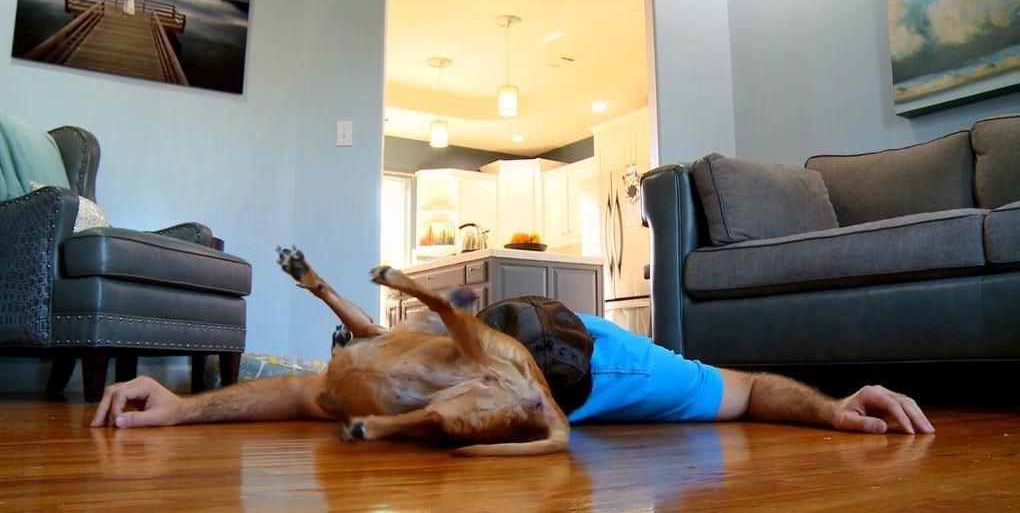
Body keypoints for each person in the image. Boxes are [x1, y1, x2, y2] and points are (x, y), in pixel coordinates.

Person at [91, 295, 934, 436]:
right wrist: (184, 405)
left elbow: (747, 389)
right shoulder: (448, 354)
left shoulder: (631, 370)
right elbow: (305, 390)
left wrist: (830, 407)